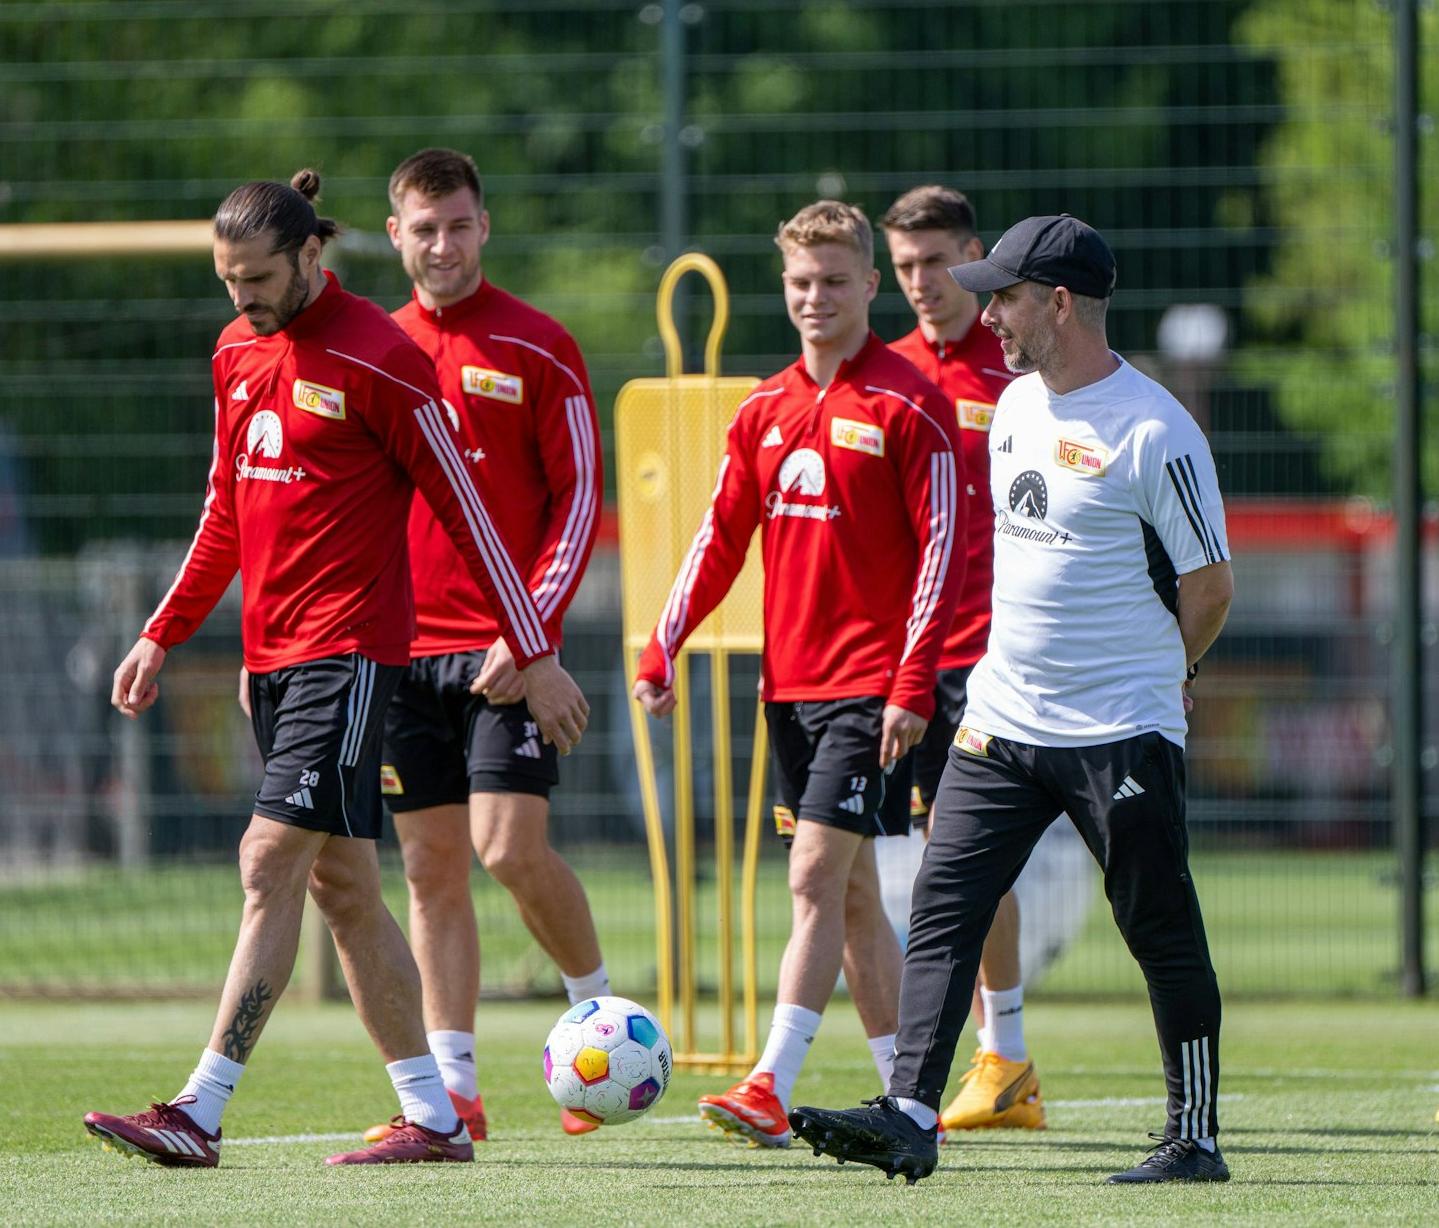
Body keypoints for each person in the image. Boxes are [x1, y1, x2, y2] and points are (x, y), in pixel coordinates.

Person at [83, 171, 590, 1169]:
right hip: (272, 660)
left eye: (259, 276)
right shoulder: (234, 350)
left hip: (351, 655)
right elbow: (224, 509)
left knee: (267, 861)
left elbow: (469, 516)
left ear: (313, 253)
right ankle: (434, 1114)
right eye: (228, 279)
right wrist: (163, 631)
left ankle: (200, 1105)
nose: (243, 297)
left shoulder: (384, 358)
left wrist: (533, 652)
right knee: (345, 889)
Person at [791, 215, 1235, 1186]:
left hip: (1120, 730)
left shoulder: (1156, 429)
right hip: (1002, 719)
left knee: (1156, 926)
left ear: (1059, 303)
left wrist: (1168, 674)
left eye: (1003, 295)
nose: (984, 311)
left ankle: (1193, 1136)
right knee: (944, 904)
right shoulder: (1011, 410)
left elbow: (1208, 586)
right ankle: (910, 1111)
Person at [632, 200, 964, 1149]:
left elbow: (945, 549)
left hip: (873, 690)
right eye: (799, 283)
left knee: (815, 877)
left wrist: (912, 684)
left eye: (833, 281)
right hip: (791, 691)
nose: (815, 298)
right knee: (852, 899)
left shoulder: (909, 403)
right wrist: (665, 644)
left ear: (869, 284)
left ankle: (769, 1082)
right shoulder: (765, 408)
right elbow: (718, 535)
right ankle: (911, 1097)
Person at [356, 148, 610, 1144]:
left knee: (508, 847)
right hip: (398, 652)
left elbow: (581, 497)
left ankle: (601, 1020)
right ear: (396, 236)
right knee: (428, 870)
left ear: (483, 225)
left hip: (506, 652)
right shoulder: (373, 347)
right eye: (424, 228)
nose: (443, 244)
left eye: (458, 224)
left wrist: (530, 630)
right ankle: (455, 1086)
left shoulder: (538, 345)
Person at [880, 184, 1043, 1134]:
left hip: (994, 651)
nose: (921, 283)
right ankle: (957, 1060)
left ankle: (1006, 1053)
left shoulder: (1017, 365)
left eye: (936, 263)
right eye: (902, 268)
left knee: (964, 851)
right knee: (891, 861)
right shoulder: (889, 371)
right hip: (904, 652)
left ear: (973, 257)